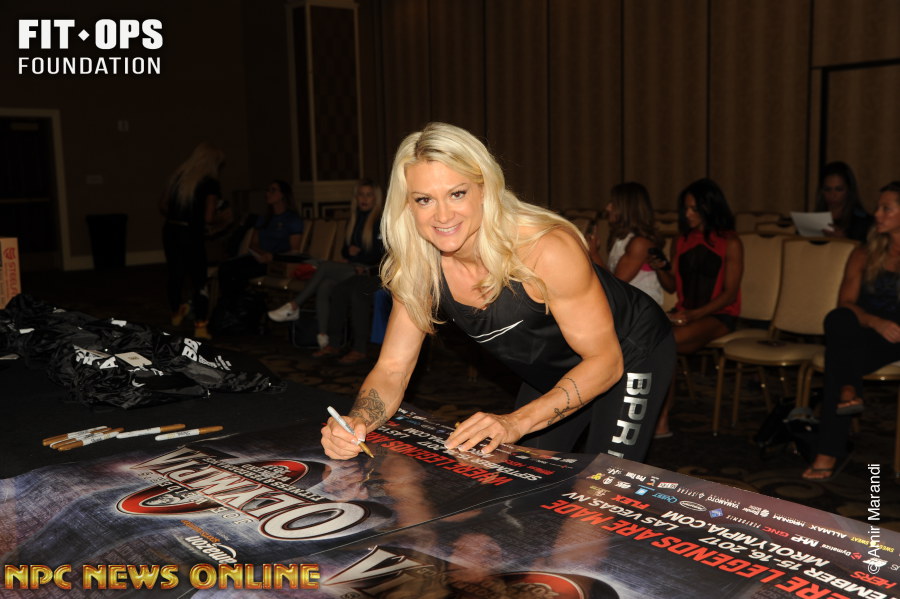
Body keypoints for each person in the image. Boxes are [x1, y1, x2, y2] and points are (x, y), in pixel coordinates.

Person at [321, 122, 675, 461]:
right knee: (526, 477)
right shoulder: (419, 266)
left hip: (628, 352)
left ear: (485, 189)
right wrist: (357, 421)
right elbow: (393, 369)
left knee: (603, 488)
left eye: (457, 193)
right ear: (407, 205)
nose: (442, 216)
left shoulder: (545, 249)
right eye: (424, 200)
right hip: (550, 368)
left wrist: (515, 422)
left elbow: (604, 362)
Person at [802, 182, 900, 481]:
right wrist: (874, 322)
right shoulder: (864, 253)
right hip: (864, 331)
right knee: (838, 318)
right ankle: (847, 389)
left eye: (886, 208)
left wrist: (887, 327)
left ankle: (828, 451)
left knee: (840, 357)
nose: (877, 214)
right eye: (878, 207)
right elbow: (846, 303)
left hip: (897, 337)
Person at [651, 178, 743, 438]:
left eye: (694, 208)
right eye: (685, 208)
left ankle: (661, 419)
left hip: (719, 316)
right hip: (686, 313)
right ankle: (656, 417)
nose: (688, 214)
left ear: (709, 208)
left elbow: (729, 294)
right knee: (655, 341)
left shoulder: (731, 242)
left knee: (664, 342)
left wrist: (692, 315)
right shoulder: (681, 240)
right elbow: (671, 285)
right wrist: (661, 268)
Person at [268, 179, 384, 351]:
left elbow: (379, 254)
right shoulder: (354, 219)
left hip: (367, 270)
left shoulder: (379, 221)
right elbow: (344, 250)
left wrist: (357, 255)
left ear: (376, 198)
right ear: (356, 197)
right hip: (351, 267)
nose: (364, 199)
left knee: (325, 267)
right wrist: (350, 252)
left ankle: (294, 305)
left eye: (369, 195)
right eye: (361, 195)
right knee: (325, 285)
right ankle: (324, 338)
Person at [160, 142, 225, 340]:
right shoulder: (209, 183)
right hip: (191, 233)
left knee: (175, 273)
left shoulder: (178, 177)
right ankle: (200, 324)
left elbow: (163, 205)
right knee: (199, 278)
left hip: (171, 230)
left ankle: (176, 312)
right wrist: (224, 218)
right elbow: (209, 217)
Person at [216, 179, 304, 297]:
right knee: (226, 267)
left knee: (239, 273)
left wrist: (272, 256)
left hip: (277, 261)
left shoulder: (292, 219)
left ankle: (240, 303)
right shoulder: (264, 218)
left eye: (273, 190)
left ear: (283, 195)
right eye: (267, 190)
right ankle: (229, 304)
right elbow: (254, 243)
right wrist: (261, 254)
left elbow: (294, 251)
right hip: (260, 258)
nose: (268, 193)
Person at [590, 182, 665, 306]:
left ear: (627, 208)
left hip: (643, 309)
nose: (608, 208)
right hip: (628, 305)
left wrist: (593, 253)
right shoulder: (620, 238)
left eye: (613, 203)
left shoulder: (640, 243)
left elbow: (615, 285)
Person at [814, 161, 873, 242]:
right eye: (827, 189)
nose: (833, 194)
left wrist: (844, 239)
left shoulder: (863, 222)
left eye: (839, 189)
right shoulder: (814, 220)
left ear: (849, 190)